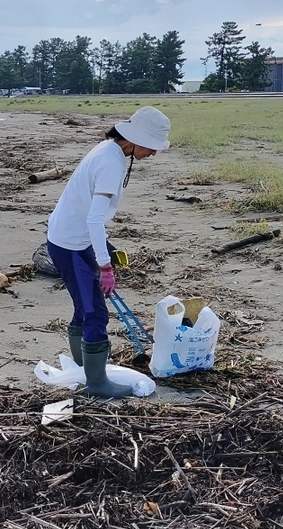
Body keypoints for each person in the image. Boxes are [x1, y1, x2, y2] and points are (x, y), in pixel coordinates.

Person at [46, 106, 171, 398]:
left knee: (86, 305)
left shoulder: (108, 150)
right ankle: (97, 383)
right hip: (71, 244)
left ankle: (85, 366)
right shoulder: (112, 163)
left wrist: (106, 251)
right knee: (95, 314)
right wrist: (105, 266)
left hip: (69, 236)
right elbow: (93, 218)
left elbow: (91, 214)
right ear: (136, 139)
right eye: (152, 147)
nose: (153, 154)